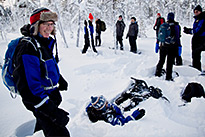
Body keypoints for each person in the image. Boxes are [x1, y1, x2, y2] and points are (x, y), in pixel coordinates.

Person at [13, 8, 70, 136]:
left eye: (51, 24)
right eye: (45, 24)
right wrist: (52, 112)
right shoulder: (28, 47)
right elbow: (28, 87)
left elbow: (45, 67)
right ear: (36, 25)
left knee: (44, 129)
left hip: (49, 98)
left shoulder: (44, 42)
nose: (49, 28)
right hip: (41, 102)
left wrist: (59, 79)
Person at [155, 12, 181, 81]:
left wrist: (157, 43)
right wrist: (179, 46)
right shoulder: (176, 26)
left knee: (161, 60)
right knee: (169, 62)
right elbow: (178, 37)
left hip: (163, 46)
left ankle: (157, 74)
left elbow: (159, 35)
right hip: (172, 47)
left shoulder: (164, 25)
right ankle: (168, 77)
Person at [184, 5, 205, 71]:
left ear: (200, 11)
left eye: (197, 11)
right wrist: (189, 30)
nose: (195, 13)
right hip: (196, 38)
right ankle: (195, 67)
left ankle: (197, 68)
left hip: (201, 39)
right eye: (194, 11)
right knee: (195, 54)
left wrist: (190, 31)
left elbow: (199, 30)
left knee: (197, 53)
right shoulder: (197, 19)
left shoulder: (202, 19)